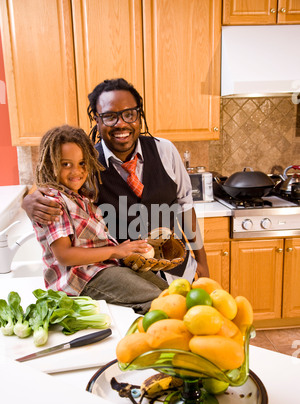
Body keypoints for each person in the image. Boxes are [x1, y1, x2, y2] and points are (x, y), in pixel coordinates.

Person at [22, 78, 209, 283]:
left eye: (129, 114)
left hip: (180, 273)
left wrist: (202, 263)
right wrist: (28, 201)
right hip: (127, 280)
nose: (121, 124)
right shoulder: (85, 163)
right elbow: (50, 187)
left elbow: (185, 206)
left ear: (139, 116)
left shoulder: (165, 151)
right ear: (97, 119)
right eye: (110, 116)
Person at [31, 124, 168, 315]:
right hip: (80, 279)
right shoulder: (53, 203)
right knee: (158, 301)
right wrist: (115, 251)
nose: (76, 171)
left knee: (169, 294)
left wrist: (125, 251)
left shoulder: (82, 198)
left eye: (81, 163)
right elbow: (64, 255)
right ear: (49, 164)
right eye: (65, 164)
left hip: (102, 269)